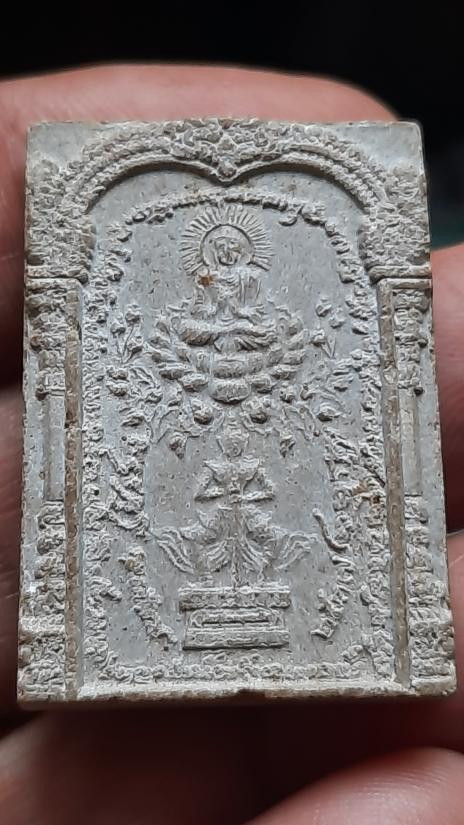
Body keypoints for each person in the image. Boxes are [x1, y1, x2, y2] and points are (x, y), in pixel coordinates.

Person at [0, 64, 463, 824]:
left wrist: (247, 327)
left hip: (249, 348)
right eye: (220, 256)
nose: (229, 264)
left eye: (235, 256)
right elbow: (194, 325)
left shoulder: (255, 284)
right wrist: (211, 328)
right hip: (205, 350)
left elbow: (260, 325)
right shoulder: (193, 283)